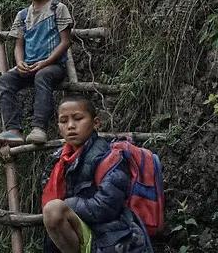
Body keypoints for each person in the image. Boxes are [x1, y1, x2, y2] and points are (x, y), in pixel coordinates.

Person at [41, 96, 153, 253]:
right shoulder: (59, 160)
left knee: (54, 210)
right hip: (83, 234)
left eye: (78, 118)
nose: (71, 126)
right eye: (64, 121)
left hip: (111, 238)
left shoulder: (109, 157)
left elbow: (107, 207)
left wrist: (67, 204)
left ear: (96, 123)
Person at [0, 0, 72, 148]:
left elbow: (65, 42)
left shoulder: (58, 8)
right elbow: (19, 45)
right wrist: (20, 62)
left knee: (42, 75)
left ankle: (38, 128)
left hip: (53, 66)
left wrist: (46, 62)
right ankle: (13, 130)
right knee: (4, 81)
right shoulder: (23, 15)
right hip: (29, 65)